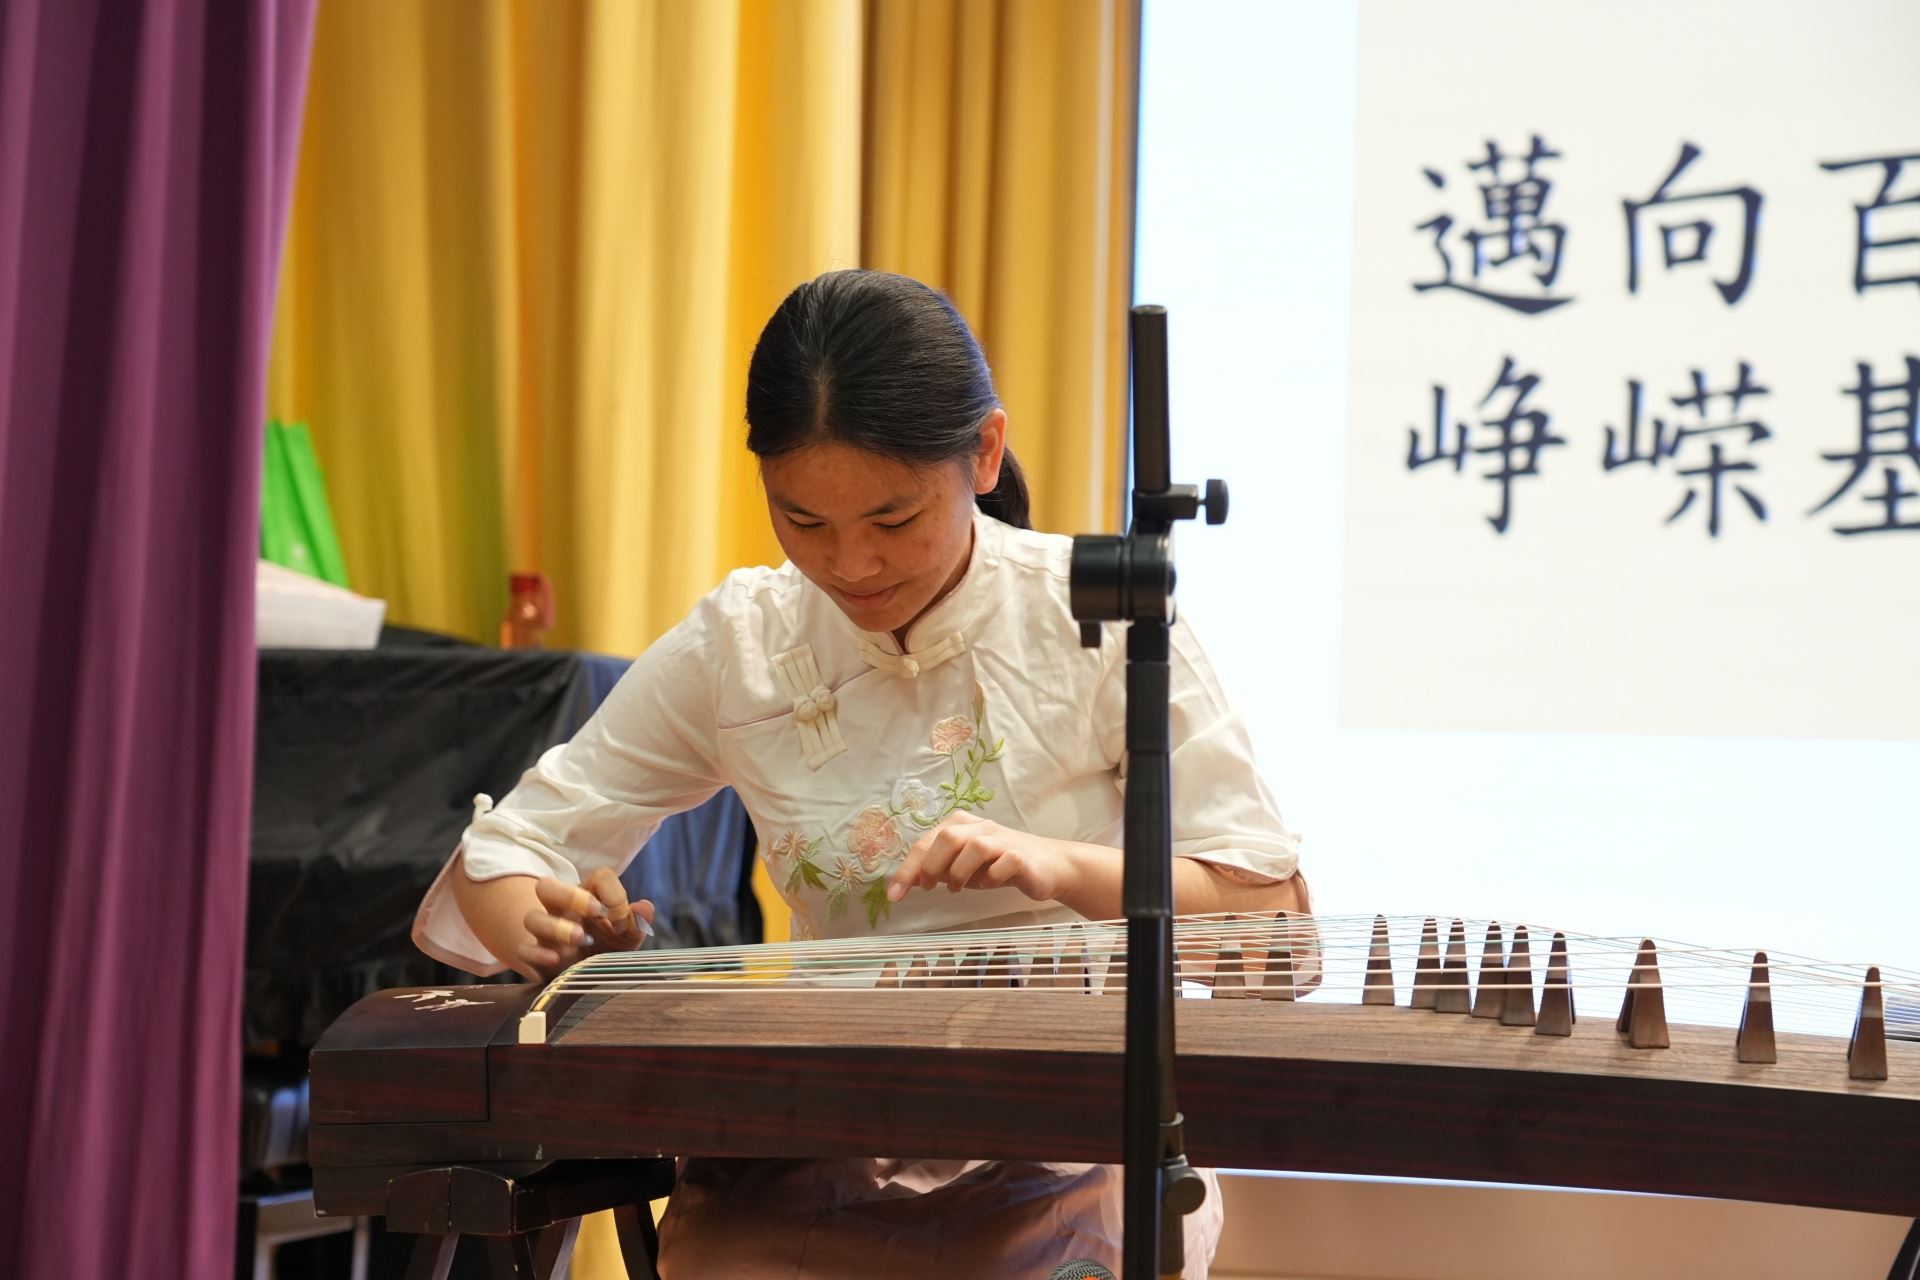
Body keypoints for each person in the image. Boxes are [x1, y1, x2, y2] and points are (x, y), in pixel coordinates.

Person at [412, 269, 1309, 1278]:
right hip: (827, 1126)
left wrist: (1058, 866)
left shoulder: (1096, 618)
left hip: (1070, 1134)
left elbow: (1270, 925)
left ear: (984, 452)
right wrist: (544, 927)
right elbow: (511, 849)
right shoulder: (745, 642)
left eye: (892, 520)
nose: (851, 565)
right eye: (803, 521)